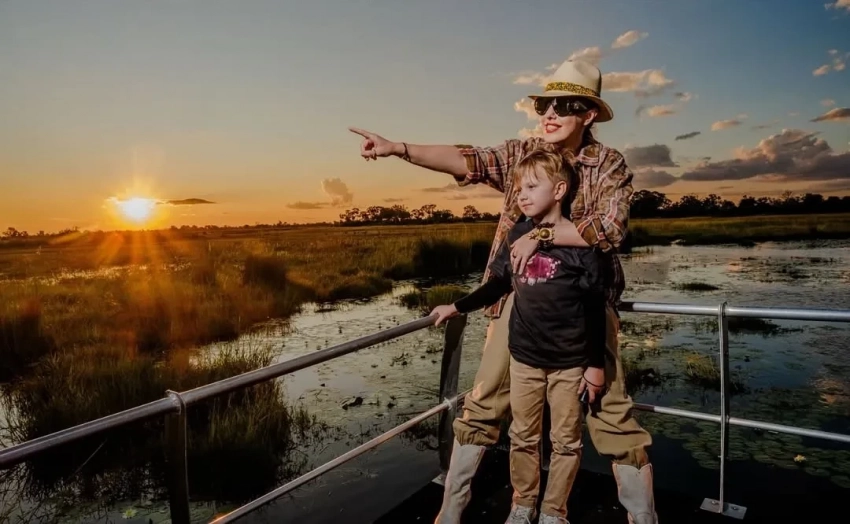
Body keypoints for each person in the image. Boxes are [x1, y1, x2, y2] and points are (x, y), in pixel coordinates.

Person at [349, 59, 658, 524]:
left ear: (589, 114)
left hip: (587, 304)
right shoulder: (523, 153)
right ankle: (452, 511)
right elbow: (467, 160)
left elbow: (610, 229)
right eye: (543, 104)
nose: (549, 113)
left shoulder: (607, 163)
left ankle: (642, 516)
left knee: (610, 412)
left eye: (564, 105)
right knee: (484, 402)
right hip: (520, 297)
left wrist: (542, 236)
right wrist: (398, 148)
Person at [430, 149, 606, 524]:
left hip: (569, 364)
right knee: (523, 436)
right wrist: (457, 307)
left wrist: (595, 366)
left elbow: (594, 307)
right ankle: (523, 504)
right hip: (524, 359)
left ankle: (554, 511)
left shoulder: (581, 243)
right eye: (519, 188)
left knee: (566, 442)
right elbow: (498, 285)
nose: (522, 195)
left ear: (559, 190)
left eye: (531, 187)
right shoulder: (517, 233)